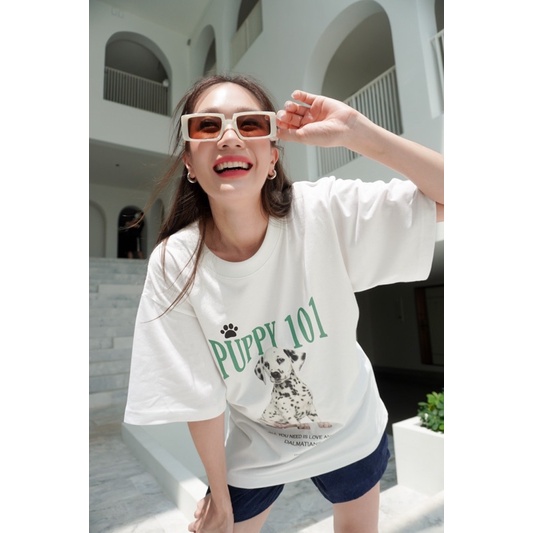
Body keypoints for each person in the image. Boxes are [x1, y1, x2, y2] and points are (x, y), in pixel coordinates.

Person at [124, 74, 444, 533]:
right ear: (190, 162)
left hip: (349, 426)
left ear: (272, 156)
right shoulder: (176, 263)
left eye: (250, 124)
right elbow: (199, 393)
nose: (229, 137)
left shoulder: (322, 211)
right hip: (258, 437)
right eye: (207, 126)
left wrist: (357, 131)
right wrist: (219, 493)